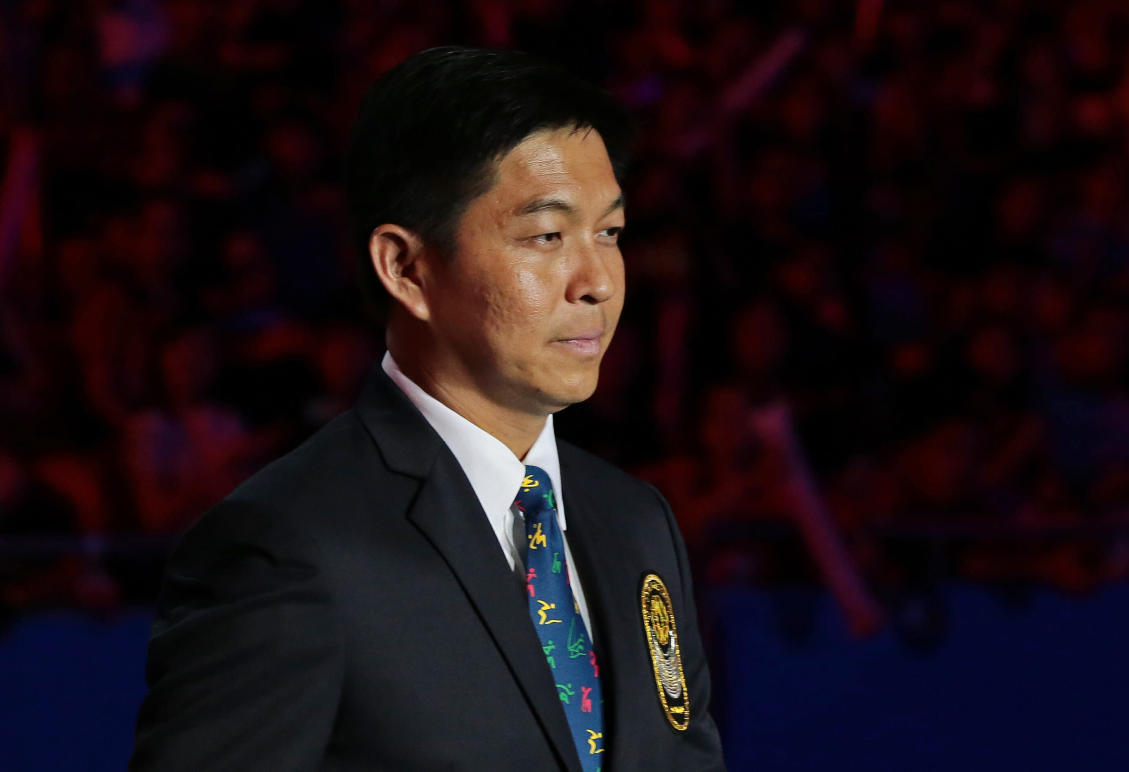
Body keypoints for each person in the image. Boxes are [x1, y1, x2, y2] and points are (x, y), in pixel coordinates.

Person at [129, 46, 726, 771]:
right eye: (546, 236)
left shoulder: (637, 524)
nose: (597, 280)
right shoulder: (287, 547)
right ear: (405, 268)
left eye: (609, 233)